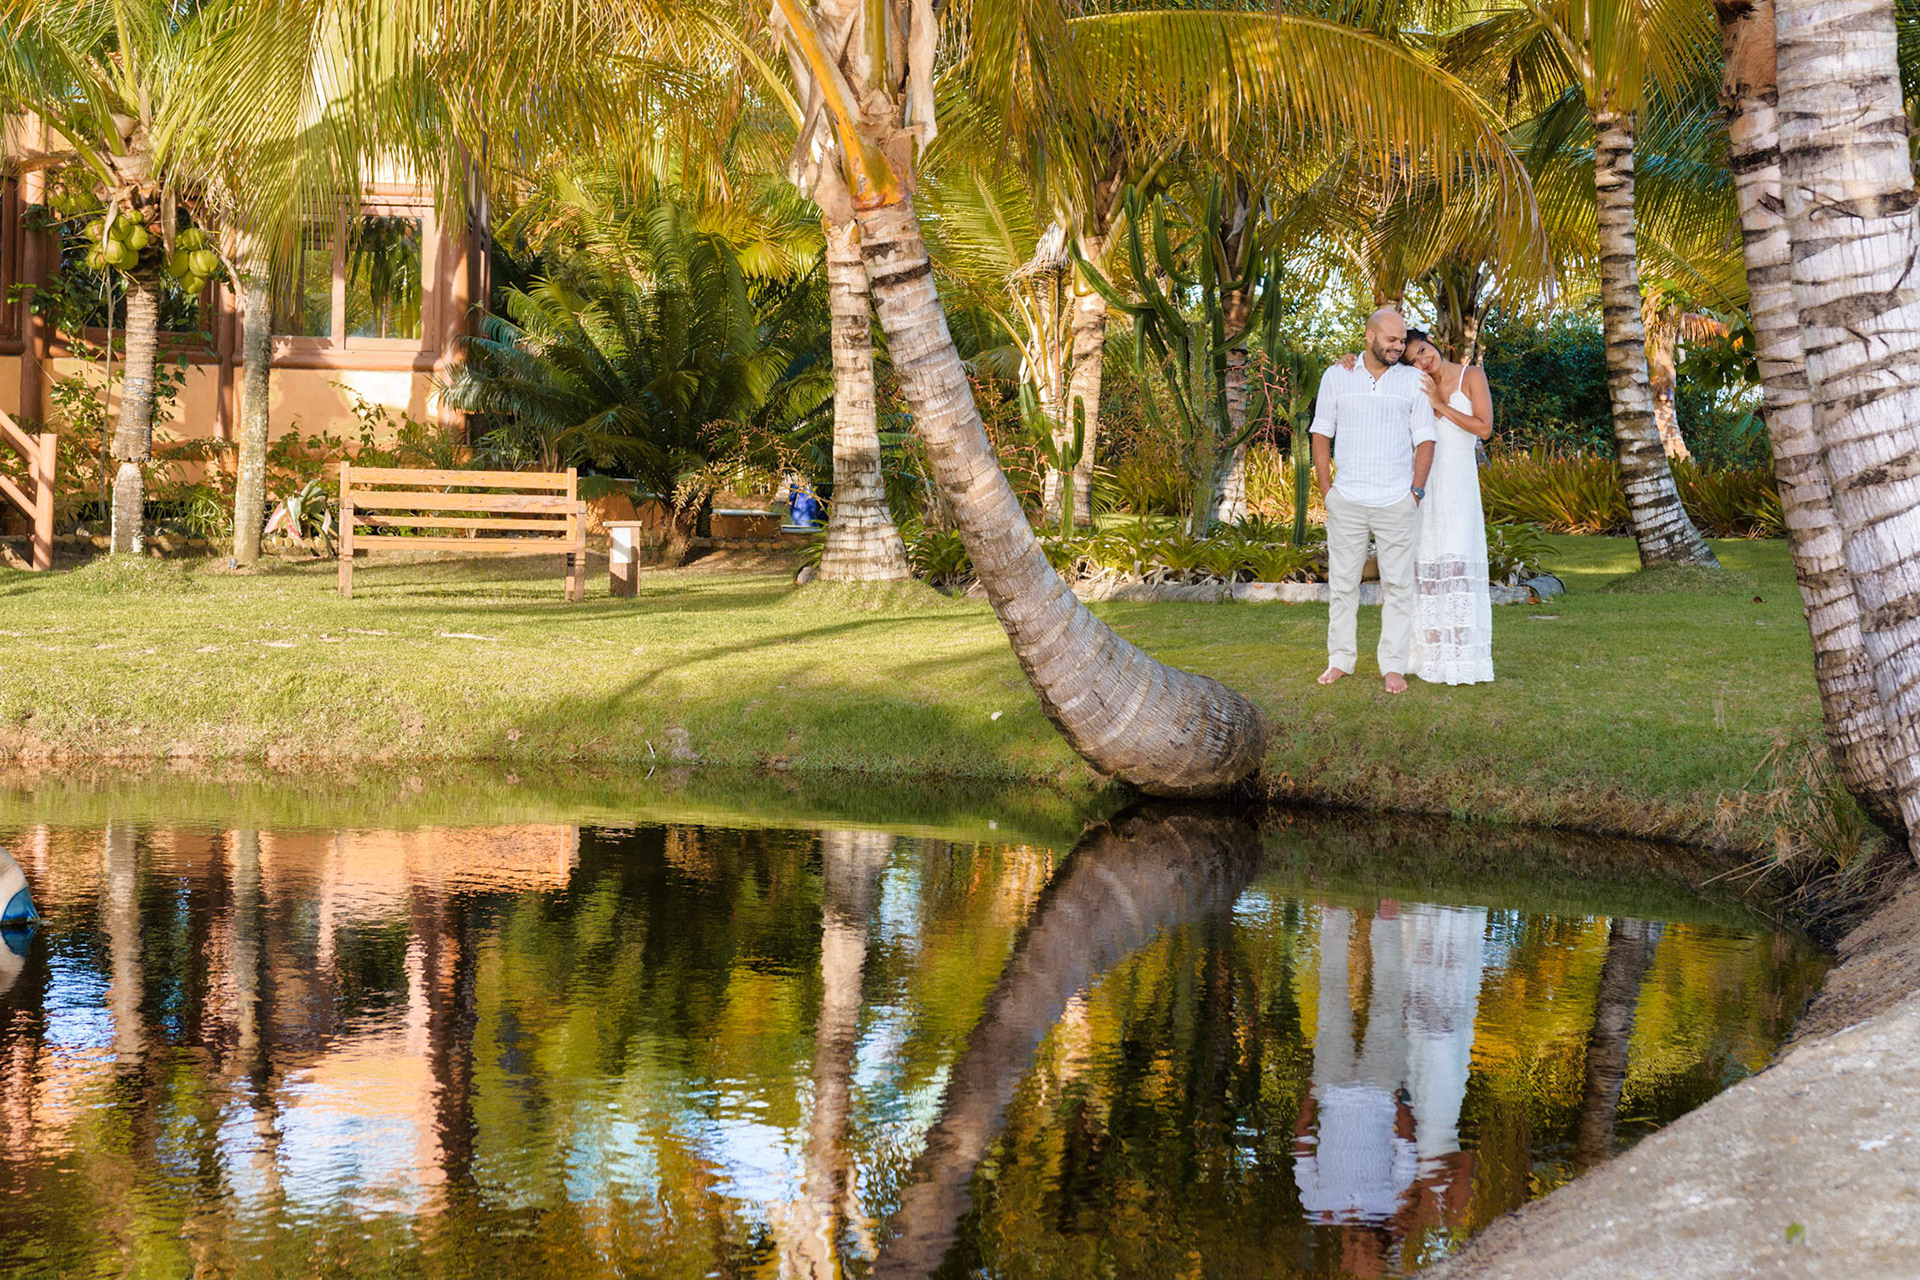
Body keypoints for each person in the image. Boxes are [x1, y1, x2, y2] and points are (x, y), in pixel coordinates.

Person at [1311, 309, 1437, 694]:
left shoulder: (1415, 380)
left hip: (1396, 500)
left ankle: (1393, 666)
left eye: (1403, 341)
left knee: (1399, 586)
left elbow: (1425, 439)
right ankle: (1340, 661)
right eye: (1392, 340)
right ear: (1370, 336)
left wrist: (1414, 491)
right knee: (1343, 585)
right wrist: (1327, 491)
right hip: (1347, 498)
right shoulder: (1337, 375)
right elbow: (1320, 434)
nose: (1399, 347)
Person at [1402, 329, 1496, 685]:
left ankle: (1462, 659)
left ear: (1433, 342)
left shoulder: (1471, 375)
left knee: (1456, 561)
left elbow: (1484, 428)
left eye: (1424, 350)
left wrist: (1440, 406)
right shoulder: (1416, 386)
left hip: (1458, 486)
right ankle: (1428, 657)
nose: (1424, 360)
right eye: (1414, 359)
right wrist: (1346, 361)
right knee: (1426, 563)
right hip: (1425, 485)